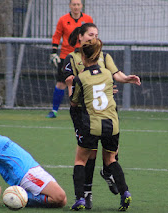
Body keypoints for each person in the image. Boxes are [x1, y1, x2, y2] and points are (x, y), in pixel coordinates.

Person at [62, 23, 141, 209]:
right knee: (97, 155)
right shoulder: (72, 59)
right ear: (80, 36)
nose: (93, 37)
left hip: (93, 116)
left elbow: (74, 92)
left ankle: (82, 196)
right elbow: (107, 78)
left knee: (84, 156)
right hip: (97, 115)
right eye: (90, 34)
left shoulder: (103, 58)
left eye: (96, 35)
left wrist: (126, 79)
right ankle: (96, 193)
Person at [0, 111, 67, 209]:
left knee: (62, 201)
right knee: (59, 196)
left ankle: (20, 196)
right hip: (26, 174)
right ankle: (17, 196)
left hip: (33, 168)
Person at [47, 0, 93, 118]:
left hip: (83, 57)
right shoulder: (63, 19)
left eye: (78, 4)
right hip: (66, 56)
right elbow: (57, 36)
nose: (76, 7)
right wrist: (53, 52)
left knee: (86, 83)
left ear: (81, 6)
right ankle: (54, 110)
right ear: (70, 6)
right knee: (61, 84)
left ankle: (87, 110)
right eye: (74, 4)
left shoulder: (88, 19)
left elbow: (92, 36)